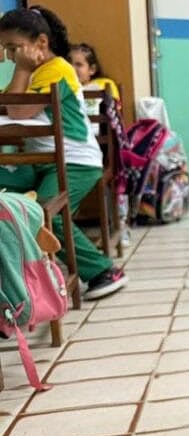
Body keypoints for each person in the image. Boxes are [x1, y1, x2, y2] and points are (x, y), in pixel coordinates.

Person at [0, 5, 127, 300]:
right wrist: (22, 71)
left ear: (41, 44)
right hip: (43, 161)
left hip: (76, 162)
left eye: (13, 48)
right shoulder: (35, 71)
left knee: (46, 213)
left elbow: (19, 108)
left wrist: (21, 68)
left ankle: (103, 271)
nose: (9, 56)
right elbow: (7, 102)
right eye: (5, 50)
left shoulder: (57, 69)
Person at [68, 42, 119, 116]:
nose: (72, 68)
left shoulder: (103, 85)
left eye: (79, 65)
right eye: (69, 64)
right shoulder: (63, 87)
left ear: (92, 69)